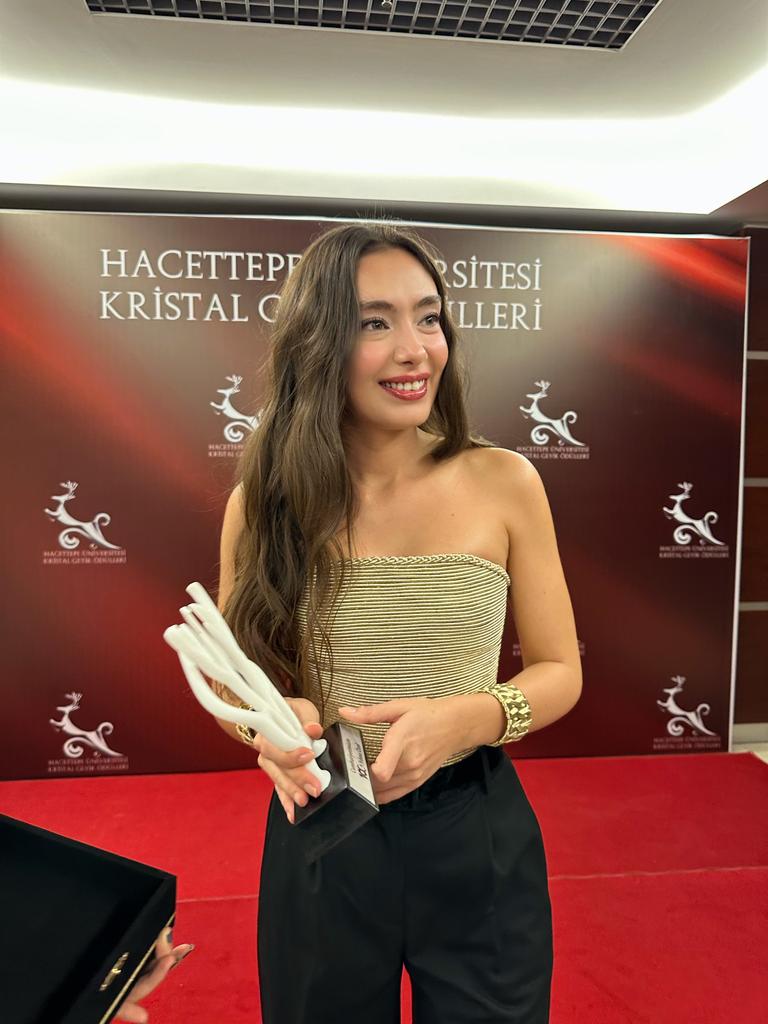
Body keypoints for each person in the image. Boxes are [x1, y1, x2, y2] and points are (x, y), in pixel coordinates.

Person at [214, 221, 582, 1024]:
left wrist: (469, 719)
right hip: (324, 829)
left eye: (429, 317)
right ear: (318, 342)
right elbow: (235, 680)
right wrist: (268, 729)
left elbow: (561, 671)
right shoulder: (263, 503)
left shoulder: (505, 481)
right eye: (375, 323)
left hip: (476, 829)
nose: (415, 350)